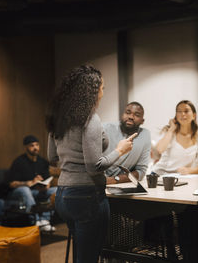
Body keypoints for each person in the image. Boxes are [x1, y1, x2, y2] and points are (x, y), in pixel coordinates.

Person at [46, 64, 135, 263]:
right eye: (102, 87)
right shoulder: (90, 118)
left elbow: (52, 157)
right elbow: (93, 166)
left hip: (63, 196)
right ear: (92, 90)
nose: (103, 92)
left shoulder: (58, 118)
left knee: (82, 255)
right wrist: (120, 150)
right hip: (87, 197)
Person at [7, 135, 57, 232]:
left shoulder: (43, 162)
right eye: (32, 145)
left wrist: (45, 186)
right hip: (21, 192)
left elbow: (48, 180)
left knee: (56, 190)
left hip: (38, 191)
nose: (35, 148)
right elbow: (12, 184)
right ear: (26, 147)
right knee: (25, 190)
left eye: (37, 145)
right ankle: (36, 221)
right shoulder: (19, 162)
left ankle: (45, 220)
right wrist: (29, 183)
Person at [152, 100, 198, 175]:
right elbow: (159, 150)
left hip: (181, 177)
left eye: (186, 111)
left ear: (194, 115)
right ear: (176, 115)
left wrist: (189, 171)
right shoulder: (170, 132)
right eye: (179, 111)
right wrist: (171, 129)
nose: (182, 114)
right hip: (159, 175)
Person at [103, 101, 151, 184]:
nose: (131, 117)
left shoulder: (145, 135)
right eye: (128, 113)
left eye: (137, 115)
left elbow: (141, 172)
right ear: (122, 115)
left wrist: (114, 180)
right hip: (97, 183)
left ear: (142, 121)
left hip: (122, 185)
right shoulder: (105, 129)